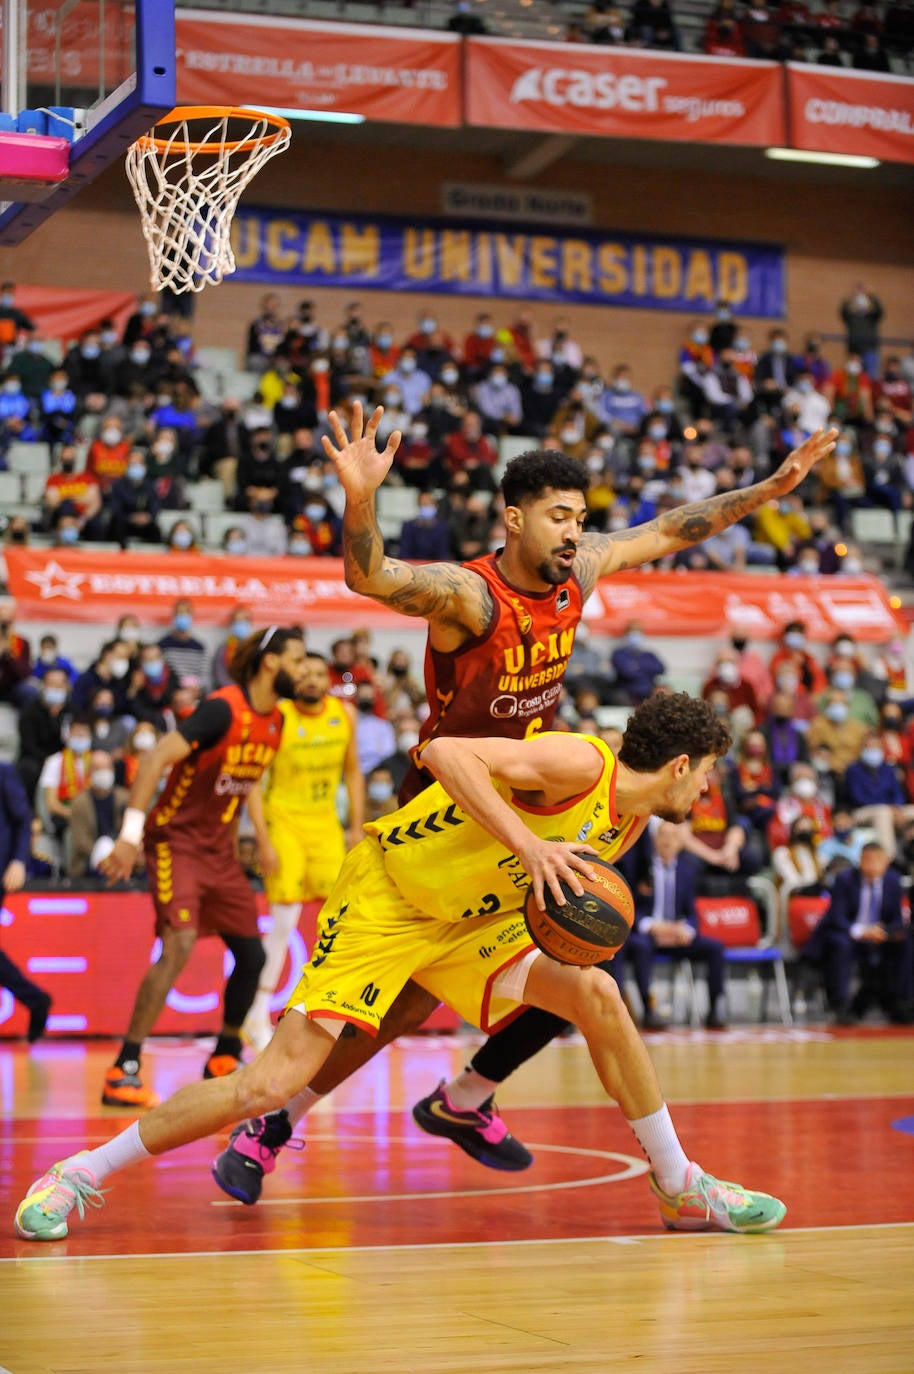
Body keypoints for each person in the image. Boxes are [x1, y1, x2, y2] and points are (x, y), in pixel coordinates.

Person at [202, 402, 837, 1187]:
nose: (575, 532)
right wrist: (360, 496)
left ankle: (463, 1096)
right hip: (451, 797)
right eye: (559, 516)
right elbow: (371, 576)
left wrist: (771, 488)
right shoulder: (469, 598)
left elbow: (673, 528)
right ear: (514, 519)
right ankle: (283, 1120)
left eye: (581, 518)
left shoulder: (582, 572)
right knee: (402, 1006)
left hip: (532, 791)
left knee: (583, 937)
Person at [15, 696, 788, 1242]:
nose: (710, 790)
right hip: (388, 898)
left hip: (466, 922)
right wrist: (530, 847)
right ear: (682, 764)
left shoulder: (635, 814)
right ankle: (79, 1172)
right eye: (709, 774)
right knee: (265, 1085)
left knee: (596, 992)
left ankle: (679, 1184)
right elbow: (446, 752)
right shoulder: (578, 763)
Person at [93, 627, 307, 1108]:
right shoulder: (221, 709)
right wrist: (129, 838)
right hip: (176, 842)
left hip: (219, 853)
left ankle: (224, 1055)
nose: (304, 670)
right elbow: (152, 760)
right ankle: (123, 1068)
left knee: (251, 957)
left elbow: (242, 782)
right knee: (179, 945)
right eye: (296, 659)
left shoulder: (275, 721)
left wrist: (253, 841)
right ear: (271, 663)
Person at [242, 651, 364, 1051]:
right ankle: (255, 1013)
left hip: (326, 826)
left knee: (339, 924)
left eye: (317, 673)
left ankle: (328, 1011)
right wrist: (262, 838)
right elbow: (254, 781)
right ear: (294, 679)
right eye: (304, 673)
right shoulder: (278, 715)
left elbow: (352, 772)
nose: (311, 679)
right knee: (283, 920)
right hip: (284, 823)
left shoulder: (344, 714)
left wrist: (355, 827)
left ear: (326, 678)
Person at [628, 822, 728, 1030]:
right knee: (640, 946)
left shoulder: (687, 871)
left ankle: (715, 1008)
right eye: (663, 836)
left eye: (673, 837)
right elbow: (631, 909)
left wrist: (686, 931)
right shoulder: (642, 869)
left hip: (676, 935)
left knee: (715, 948)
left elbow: (692, 914)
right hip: (650, 934)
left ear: (679, 843)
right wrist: (653, 927)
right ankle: (648, 1008)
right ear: (655, 840)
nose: (667, 841)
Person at [804, 843, 912, 1025]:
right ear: (860, 861)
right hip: (848, 934)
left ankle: (902, 1004)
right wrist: (863, 932)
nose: (873, 865)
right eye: (868, 860)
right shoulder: (845, 879)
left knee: (907, 944)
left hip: (879, 936)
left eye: (878, 860)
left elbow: (896, 919)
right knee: (840, 944)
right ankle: (840, 1005)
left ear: (886, 862)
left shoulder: (893, 881)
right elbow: (836, 917)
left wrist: (884, 932)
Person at [0, 762, 52, 1043]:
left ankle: (36, 1000)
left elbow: (23, 819)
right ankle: (36, 1000)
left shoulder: (3, 771)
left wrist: (19, 861)